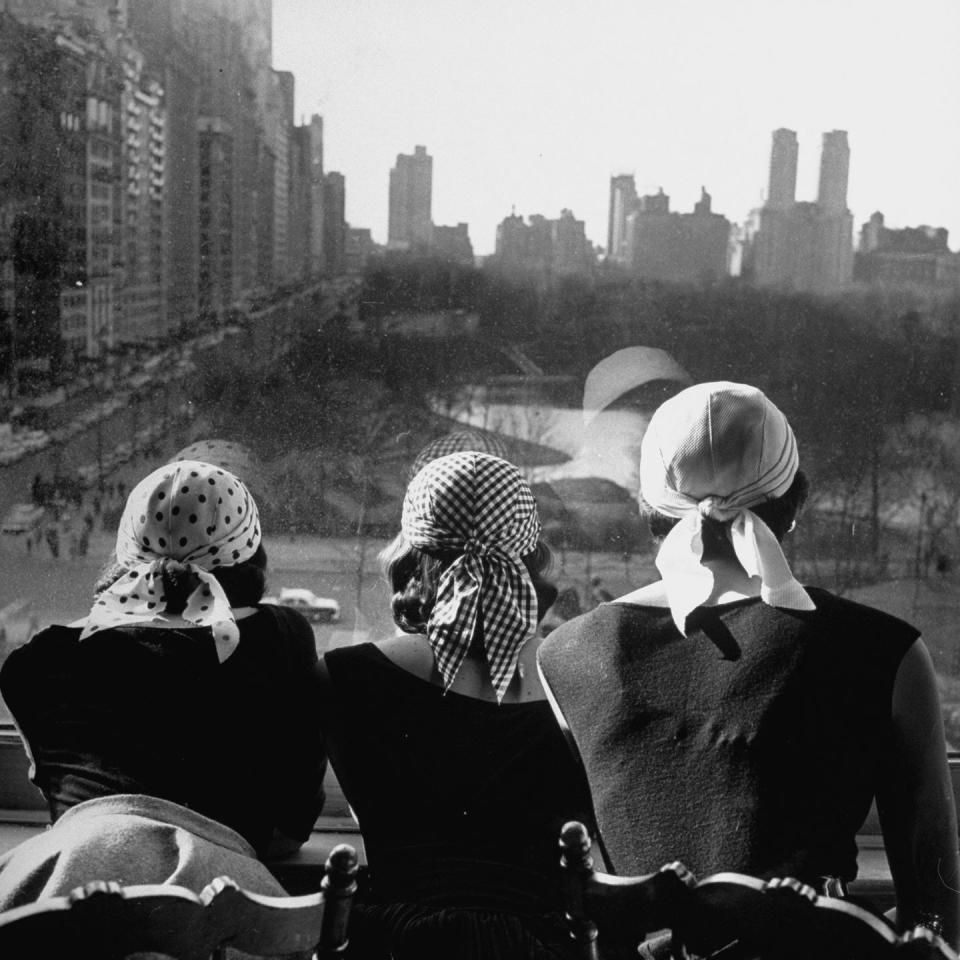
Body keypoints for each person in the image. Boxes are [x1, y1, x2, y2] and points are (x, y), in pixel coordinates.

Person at [538, 381, 960, 948]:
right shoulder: (885, 650)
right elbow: (936, 899)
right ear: (792, 505)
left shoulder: (566, 654)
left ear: (649, 511)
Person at [0, 460, 326, 910]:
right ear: (249, 552)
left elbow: (67, 805)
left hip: (63, 914)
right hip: (223, 919)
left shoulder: (33, 665)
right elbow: (294, 823)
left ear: (126, 547)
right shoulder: (285, 638)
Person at [317, 452, 593, 959]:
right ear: (531, 554)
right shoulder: (578, 675)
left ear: (409, 553)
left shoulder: (344, 675)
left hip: (391, 945)